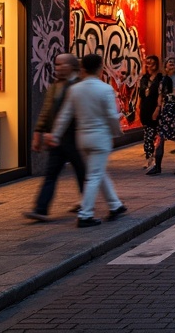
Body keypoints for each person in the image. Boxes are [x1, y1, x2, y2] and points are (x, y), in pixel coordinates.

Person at [48, 53, 126, 227]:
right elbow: (112, 117)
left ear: (83, 69)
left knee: (98, 171)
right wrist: (116, 133)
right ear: (100, 68)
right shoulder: (105, 89)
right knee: (94, 175)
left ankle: (115, 205)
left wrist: (55, 135)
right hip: (101, 137)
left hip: (82, 138)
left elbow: (65, 115)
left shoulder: (75, 89)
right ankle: (85, 214)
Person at [25, 52, 86, 221]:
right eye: (56, 64)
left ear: (72, 66)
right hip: (57, 140)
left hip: (75, 139)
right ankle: (41, 209)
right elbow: (46, 112)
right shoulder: (55, 86)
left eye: (61, 64)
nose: (57, 68)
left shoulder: (80, 86)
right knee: (51, 174)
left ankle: (87, 205)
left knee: (82, 173)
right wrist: (38, 132)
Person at [149, 57, 175, 175]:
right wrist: (158, 109)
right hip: (165, 112)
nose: (171, 64)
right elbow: (160, 96)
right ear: (165, 67)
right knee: (160, 139)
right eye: (169, 63)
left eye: (173, 63)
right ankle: (158, 166)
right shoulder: (163, 81)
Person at [138, 55, 162, 168]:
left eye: (151, 63)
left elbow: (162, 95)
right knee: (147, 136)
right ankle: (149, 158)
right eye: (147, 63)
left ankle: (155, 158)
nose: (149, 65)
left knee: (156, 135)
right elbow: (141, 95)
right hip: (146, 109)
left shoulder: (160, 78)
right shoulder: (144, 79)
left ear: (156, 64)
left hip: (156, 109)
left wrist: (158, 108)